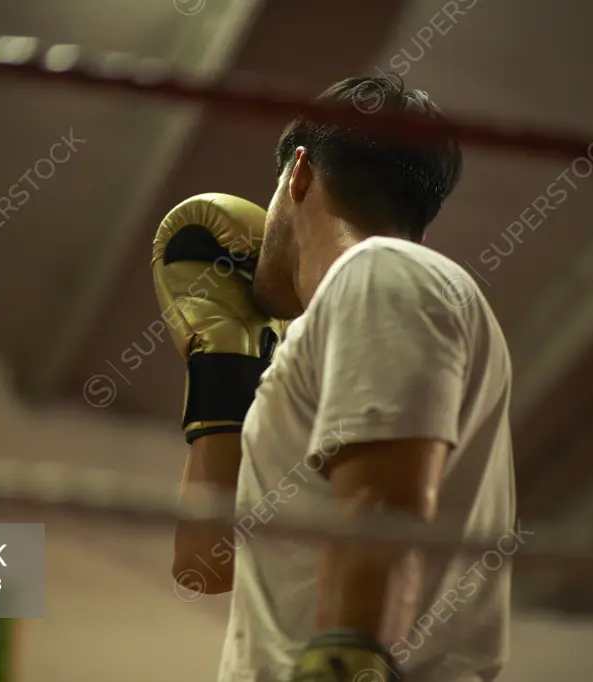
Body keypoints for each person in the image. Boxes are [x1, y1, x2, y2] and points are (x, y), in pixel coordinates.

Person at [152, 75, 515, 682]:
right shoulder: (332, 330)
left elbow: (383, 511)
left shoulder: (384, 275)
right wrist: (222, 360)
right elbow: (204, 566)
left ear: (297, 174)